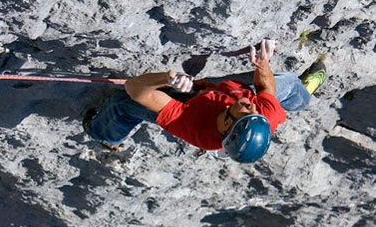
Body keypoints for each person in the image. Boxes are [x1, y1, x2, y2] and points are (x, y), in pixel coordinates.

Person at [83, 40, 326, 162]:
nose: (252, 107)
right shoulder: (263, 115)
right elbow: (265, 88)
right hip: (224, 92)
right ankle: (301, 95)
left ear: (227, 124)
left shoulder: (193, 125)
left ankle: (105, 135)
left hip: (200, 101)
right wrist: (262, 65)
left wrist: (167, 79)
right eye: (255, 112)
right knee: (289, 82)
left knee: (121, 104)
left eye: (247, 112)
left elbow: (134, 89)